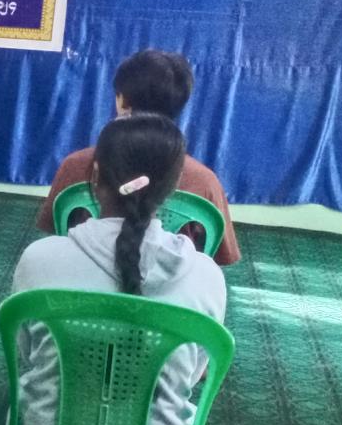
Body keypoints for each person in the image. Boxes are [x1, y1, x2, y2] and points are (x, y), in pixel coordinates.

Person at [11, 113, 226, 425]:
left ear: (94, 176)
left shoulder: (39, 258)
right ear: (174, 185)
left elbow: (24, 353)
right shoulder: (205, 276)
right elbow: (195, 374)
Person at [36, 49, 240, 266]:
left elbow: (56, 231)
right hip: (173, 286)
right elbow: (219, 258)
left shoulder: (75, 166)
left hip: (80, 277)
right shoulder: (204, 182)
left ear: (122, 100)